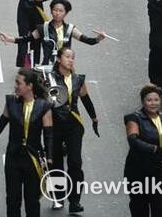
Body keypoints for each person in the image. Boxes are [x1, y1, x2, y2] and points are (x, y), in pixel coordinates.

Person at [0, 69, 53, 217]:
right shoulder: (11, 102)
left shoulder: (44, 106)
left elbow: (48, 135)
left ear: (29, 86)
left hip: (33, 159)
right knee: (12, 200)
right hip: (13, 158)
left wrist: (49, 159)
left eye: (19, 83)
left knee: (32, 201)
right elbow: (0, 125)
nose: (16, 85)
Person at [50, 48, 99, 214]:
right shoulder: (49, 78)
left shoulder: (78, 79)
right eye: (67, 57)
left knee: (75, 162)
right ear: (58, 59)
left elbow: (85, 99)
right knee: (55, 162)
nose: (71, 60)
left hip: (73, 126)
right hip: (54, 125)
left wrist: (94, 118)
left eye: (73, 58)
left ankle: (75, 201)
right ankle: (58, 196)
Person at [124, 84, 162, 217]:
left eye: (156, 100)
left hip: (160, 170)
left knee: (161, 208)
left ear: (160, 101)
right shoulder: (133, 118)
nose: (153, 103)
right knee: (139, 208)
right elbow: (133, 140)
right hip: (137, 170)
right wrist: (154, 149)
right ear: (143, 102)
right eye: (149, 100)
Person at [0, 0, 107, 65]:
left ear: (66, 13)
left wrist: (98, 39)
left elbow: (87, 40)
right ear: (51, 11)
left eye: (61, 11)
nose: (57, 13)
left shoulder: (70, 29)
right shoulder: (43, 28)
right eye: (55, 10)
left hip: (65, 68)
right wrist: (9, 38)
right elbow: (26, 39)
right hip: (47, 67)